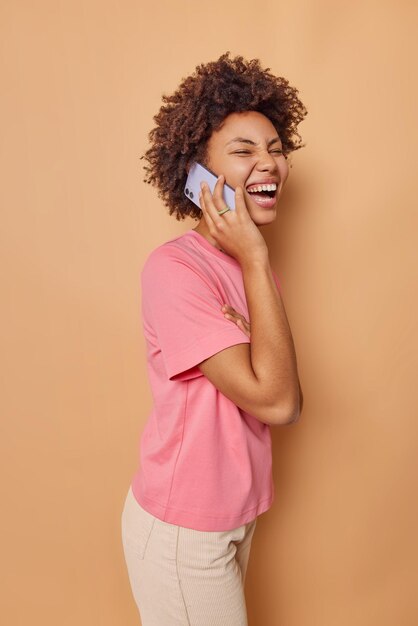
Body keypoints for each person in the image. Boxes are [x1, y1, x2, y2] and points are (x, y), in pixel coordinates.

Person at [121, 52, 307, 626]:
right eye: (244, 151)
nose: (269, 162)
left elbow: (271, 385)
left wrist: (253, 261)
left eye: (275, 147)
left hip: (234, 514)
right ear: (198, 176)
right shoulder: (175, 271)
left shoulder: (255, 270)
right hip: (184, 529)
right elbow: (278, 401)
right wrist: (253, 254)